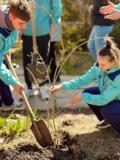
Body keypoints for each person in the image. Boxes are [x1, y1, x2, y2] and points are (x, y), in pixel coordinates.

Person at [50, 37, 120, 135]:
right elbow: (83, 80)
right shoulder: (99, 67)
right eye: (98, 63)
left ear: (114, 62)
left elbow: (104, 99)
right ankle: (108, 121)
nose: (99, 67)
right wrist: (62, 86)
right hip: (113, 97)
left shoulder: (118, 76)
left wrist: (82, 96)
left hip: (116, 101)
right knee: (89, 92)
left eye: (103, 65)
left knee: (106, 110)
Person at [22, 0, 62, 97]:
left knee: (42, 59)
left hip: (43, 30)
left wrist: (53, 24)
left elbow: (57, 7)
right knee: (27, 59)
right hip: (26, 30)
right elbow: (18, 4)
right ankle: (29, 87)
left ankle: (41, 86)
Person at [0, 0, 31, 110]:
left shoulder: (11, 15)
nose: (23, 27)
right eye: (21, 23)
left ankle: (6, 103)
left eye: (25, 23)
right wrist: (13, 83)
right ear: (11, 16)